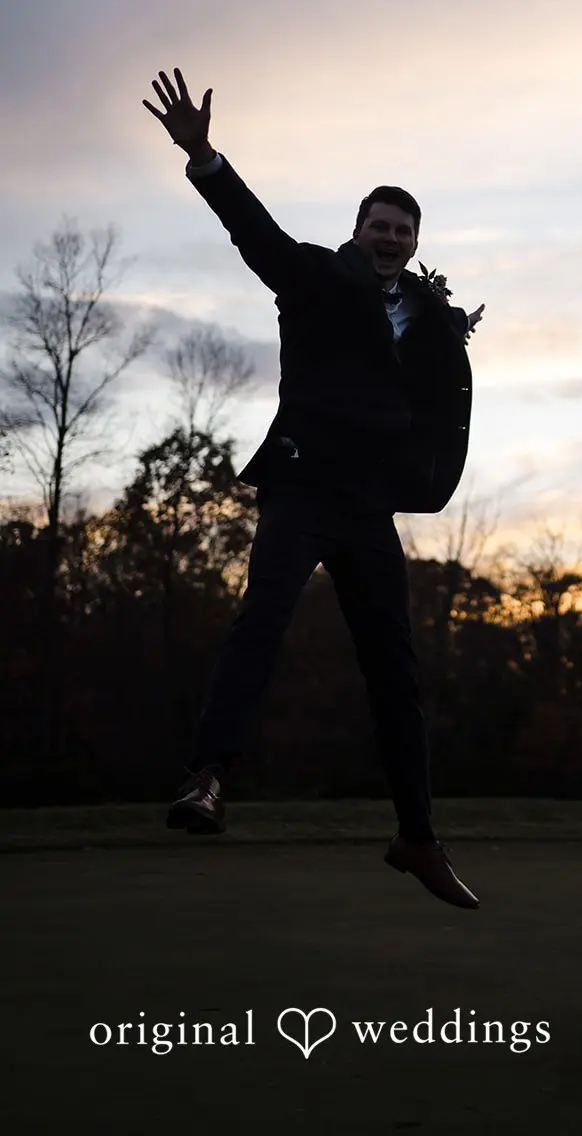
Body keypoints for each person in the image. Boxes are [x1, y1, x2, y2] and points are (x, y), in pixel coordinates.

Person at [143, 69, 484, 910]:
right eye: (378, 225)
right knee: (262, 616)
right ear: (358, 231)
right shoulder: (316, 280)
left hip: (369, 506)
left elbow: (446, 402)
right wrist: (205, 159)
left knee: (394, 672)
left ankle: (417, 837)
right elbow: (254, 235)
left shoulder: (433, 320)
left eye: (402, 230)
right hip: (302, 486)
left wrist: (425, 471)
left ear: (413, 242)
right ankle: (209, 778)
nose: (389, 238)